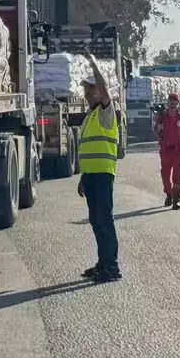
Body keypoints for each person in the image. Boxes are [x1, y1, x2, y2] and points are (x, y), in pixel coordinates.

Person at [77, 53, 121, 283]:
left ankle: (111, 266)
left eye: (90, 91)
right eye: (85, 92)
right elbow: (87, 149)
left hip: (103, 174)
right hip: (92, 176)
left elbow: (104, 90)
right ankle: (103, 263)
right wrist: (82, 177)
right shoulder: (89, 116)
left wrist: (94, 65)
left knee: (104, 219)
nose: (86, 96)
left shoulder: (106, 112)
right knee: (96, 220)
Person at [155, 92, 180, 210]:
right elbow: (157, 131)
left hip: (178, 151)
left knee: (178, 175)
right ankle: (168, 193)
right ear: (167, 103)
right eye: (170, 103)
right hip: (166, 151)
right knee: (165, 175)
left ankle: (176, 199)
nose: (172, 105)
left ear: (178, 104)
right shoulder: (162, 117)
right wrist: (158, 120)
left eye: (175, 103)